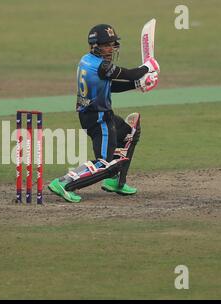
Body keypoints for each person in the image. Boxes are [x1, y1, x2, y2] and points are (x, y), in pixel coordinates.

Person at [48, 24, 160, 203]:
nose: (111, 48)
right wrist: (147, 67)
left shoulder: (87, 60)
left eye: (113, 44)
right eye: (107, 44)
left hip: (96, 115)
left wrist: (138, 85)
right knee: (104, 162)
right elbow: (130, 73)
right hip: (98, 118)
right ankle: (64, 183)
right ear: (95, 45)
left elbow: (109, 86)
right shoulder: (101, 66)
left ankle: (115, 181)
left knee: (129, 133)